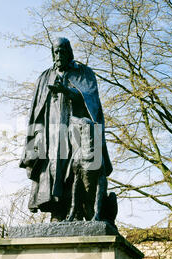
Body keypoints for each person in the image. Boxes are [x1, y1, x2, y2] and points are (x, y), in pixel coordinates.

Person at [19, 37, 113, 222]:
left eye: (62, 50)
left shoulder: (83, 73)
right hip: (51, 132)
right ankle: (57, 212)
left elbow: (92, 101)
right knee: (53, 169)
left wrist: (67, 91)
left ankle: (79, 210)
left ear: (69, 52)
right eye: (56, 51)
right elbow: (35, 110)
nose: (59, 54)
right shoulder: (44, 76)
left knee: (79, 167)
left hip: (77, 130)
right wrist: (33, 142)